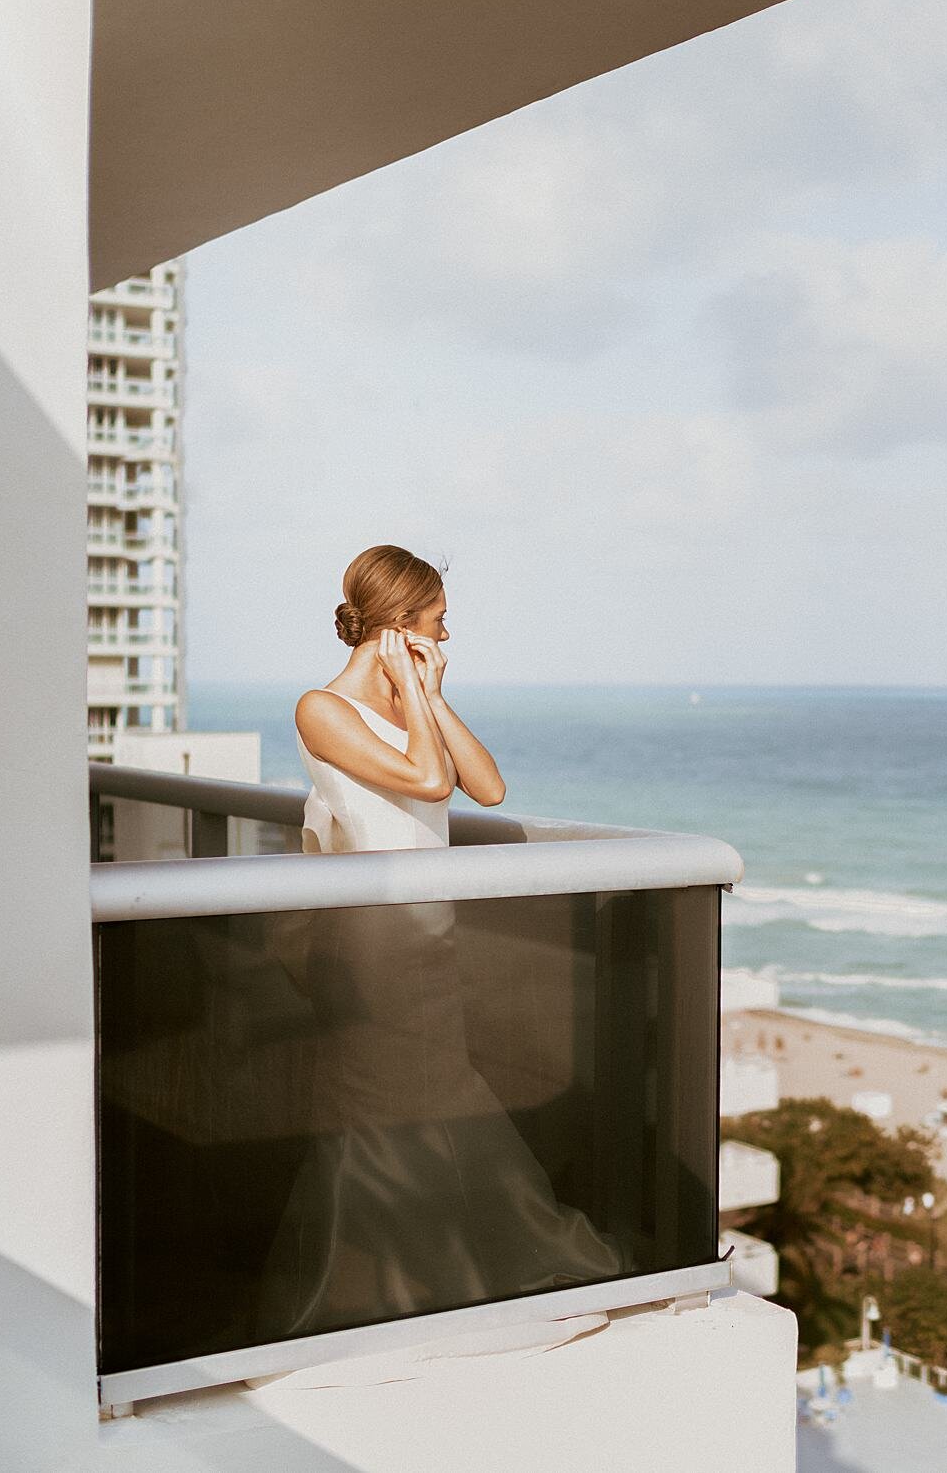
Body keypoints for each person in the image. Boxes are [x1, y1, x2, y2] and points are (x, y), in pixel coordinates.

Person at [257, 545, 620, 1342]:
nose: (448, 632)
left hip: (429, 937)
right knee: (380, 1106)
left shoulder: (410, 704)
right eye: (437, 620)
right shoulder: (321, 709)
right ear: (398, 625)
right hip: (368, 941)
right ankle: (375, 1283)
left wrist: (431, 694)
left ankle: (444, 1261)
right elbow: (429, 783)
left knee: (436, 1097)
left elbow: (487, 787)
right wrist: (417, 697)